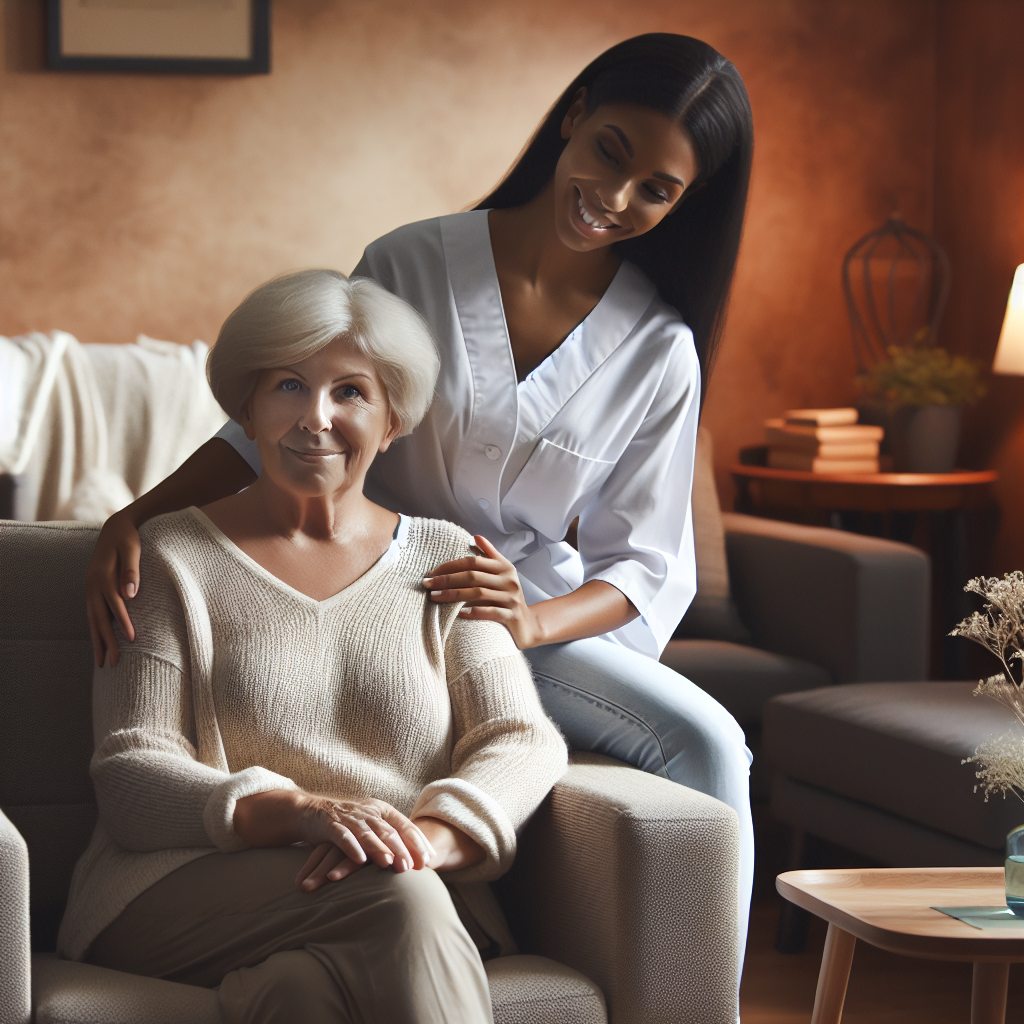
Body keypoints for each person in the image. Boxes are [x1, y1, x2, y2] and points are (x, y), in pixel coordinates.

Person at [85, 32, 756, 979]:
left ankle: (699, 1001)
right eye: (612, 149)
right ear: (574, 116)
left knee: (706, 739)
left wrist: (529, 620)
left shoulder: (660, 348)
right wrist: (133, 517)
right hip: (374, 583)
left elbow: (646, 563)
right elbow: (286, 423)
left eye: (657, 189)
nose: (615, 198)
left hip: (510, 620)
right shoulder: (412, 263)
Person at [60, 270, 568, 1024]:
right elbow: (132, 773)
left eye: (352, 393)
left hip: (401, 886)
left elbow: (520, 738)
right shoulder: (166, 559)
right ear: (250, 411)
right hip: (175, 891)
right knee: (393, 894)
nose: (316, 418)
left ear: (393, 419)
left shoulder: (448, 557)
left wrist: (422, 841)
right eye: (290, 387)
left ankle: (265, 995)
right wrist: (300, 813)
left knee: (303, 993)